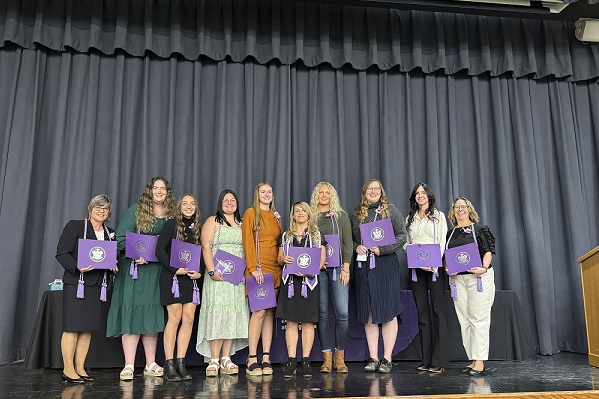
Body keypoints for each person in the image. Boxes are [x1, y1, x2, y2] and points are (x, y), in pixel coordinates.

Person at [106, 177, 175, 381]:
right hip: (135, 270)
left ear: (168, 192)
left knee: (151, 316)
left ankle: (150, 363)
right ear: (149, 191)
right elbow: (119, 238)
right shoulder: (136, 209)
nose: (159, 191)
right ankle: (128, 365)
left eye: (163, 188)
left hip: (156, 272)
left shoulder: (172, 214)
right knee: (133, 314)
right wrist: (134, 253)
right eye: (156, 188)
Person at [56, 194, 116, 383]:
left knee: (87, 329)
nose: (101, 211)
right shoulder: (75, 226)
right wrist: (76, 266)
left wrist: (114, 265)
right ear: (90, 209)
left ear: (109, 213)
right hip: (77, 283)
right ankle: (68, 369)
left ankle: (80, 368)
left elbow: (108, 258)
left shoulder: (110, 233)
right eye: (98, 207)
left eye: (105, 208)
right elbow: (62, 252)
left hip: (97, 285)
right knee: (72, 327)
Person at [349, 179, 406, 373]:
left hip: (386, 264)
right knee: (369, 311)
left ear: (381, 191)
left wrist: (383, 249)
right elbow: (349, 240)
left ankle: (387, 358)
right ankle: (373, 358)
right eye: (370, 189)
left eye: (377, 188)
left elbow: (402, 236)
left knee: (389, 310)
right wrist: (358, 247)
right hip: (364, 266)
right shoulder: (356, 214)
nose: (373, 191)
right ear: (364, 192)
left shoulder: (391, 210)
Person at [196, 189, 250, 377]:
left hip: (237, 277)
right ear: (220, 203)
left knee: (232, 315)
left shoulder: (243, 223)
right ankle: (213, 359)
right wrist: (211, 271)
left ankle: (226, 357)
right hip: (218, 276)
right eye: (225, 200)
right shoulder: (213, 221)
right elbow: (206, 246)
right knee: (217, 314)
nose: (229, 203)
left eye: (232, 200)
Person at [446, 197, 496, 376]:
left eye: (463, 206)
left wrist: (483, 267)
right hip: (458, 281)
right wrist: (448, 268)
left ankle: (480, 362)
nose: (460, 210)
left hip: (478, 279)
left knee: (478, 319)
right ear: (453, 211)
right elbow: (448, 256)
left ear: (469, 209)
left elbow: (488, 252)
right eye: (456, 207)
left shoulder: (480, 229)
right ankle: (473, 359)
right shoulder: (450, 233)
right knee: (464, 320)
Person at [155, 194, 202, 381]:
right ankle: (169, 363)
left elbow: (202, 252)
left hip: (191, 279)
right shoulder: (171, 224)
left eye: (192, 203)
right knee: (174, 318)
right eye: (185, 203)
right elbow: (159, 250)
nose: (189, 206)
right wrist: (175, 269)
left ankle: (181, 362)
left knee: (189, 319)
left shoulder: (197, 228)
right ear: (179, 206)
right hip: (173, 278)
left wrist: (199, 272)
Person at [276, 202, 326, 378]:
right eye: (296, 211)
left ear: (309, 213)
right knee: (290, 322)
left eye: (303, 210)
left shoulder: (317, 235)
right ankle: (291, 361)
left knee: (307, 322)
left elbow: (321, 260)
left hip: (309, 283)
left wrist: (309, 270)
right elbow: (279, 258)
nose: (300, 213)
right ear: (293, 215)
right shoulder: (286, 236)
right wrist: (285, 259)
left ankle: (305, 361)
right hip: (290, 283)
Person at [404, 183, 448, 373]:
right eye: (417, 193)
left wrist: (432, 261)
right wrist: (414, 250)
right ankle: (426, 359)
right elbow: (405, 243)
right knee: (422, 313)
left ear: (429, 196)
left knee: (437, 311)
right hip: (416, 268)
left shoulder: (439, 216)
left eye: (423, 193)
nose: (420, 196)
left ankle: (438, 360)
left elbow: (442, 242)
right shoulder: (410, 218)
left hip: (434, 267)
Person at [310, 182, 352, 373]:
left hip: (338, 270)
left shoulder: (340, 216)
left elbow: (347, 244)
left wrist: (346, 268)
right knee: (322, 314)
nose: (324, 195)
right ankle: (327, 358)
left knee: (342, 313)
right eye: (321, 193)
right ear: (316, 195)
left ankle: (340, 357)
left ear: (332, 195)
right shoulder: (310, 217)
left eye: (328, 193)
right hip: (318, 271)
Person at [242, 182, 282, 376]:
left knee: (269, 313)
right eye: (263, 192)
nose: (266, 195)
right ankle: (252, 357)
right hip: (259, 269)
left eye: (269, 192)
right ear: (257, 195)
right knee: (258, 312)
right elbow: (248, 242)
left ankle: (266, 356)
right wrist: (252, 268)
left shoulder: (276, 217)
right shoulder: (251, 213)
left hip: (275, 269)